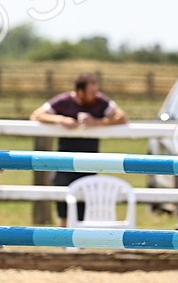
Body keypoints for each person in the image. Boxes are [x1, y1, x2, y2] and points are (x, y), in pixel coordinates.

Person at [29, 73, 129, 225]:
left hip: (90, 160)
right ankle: (64, 236)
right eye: (91, 92)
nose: (95, 95)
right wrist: (61, 119)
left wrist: (97, 122)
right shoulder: (64, 101)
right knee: (63, 202)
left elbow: (121, 117)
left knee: (84, 204)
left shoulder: (100, 101)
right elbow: (37, 115)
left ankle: (80, 236)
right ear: (80, 91)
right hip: (64, 160)